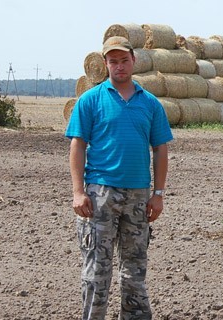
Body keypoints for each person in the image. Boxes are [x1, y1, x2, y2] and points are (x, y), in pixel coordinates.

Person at [65, 36, 174, 319]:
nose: (119, 66)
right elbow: (77, 145)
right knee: (96, 271)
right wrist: (78, 192)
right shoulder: (90, 100)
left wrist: (158, 194)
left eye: (124, 60)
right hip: (100, 195)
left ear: (133, 61)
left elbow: (160, 149)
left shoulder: (150, 104)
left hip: (138, 196)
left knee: (134, 271)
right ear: (105, 64)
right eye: (113, 61)